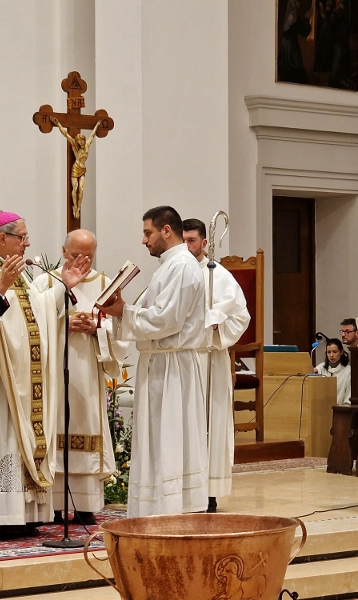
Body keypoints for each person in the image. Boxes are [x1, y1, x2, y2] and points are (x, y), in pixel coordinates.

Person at [0, 211, 90, 538]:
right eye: (22, 237)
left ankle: (23, 514)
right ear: (3, 238)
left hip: (26, 381)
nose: (27, 243)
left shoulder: (18, 271)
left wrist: (63, 288)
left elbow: (38, 309)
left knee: (21, 441)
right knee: (1, 440)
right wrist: (0, 287)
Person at [102, 206, 208, 517]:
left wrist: (123, 311)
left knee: (169, 438)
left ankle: (172, 510)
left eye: (148, 233)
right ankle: (154, 510)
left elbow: (166, 319)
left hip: (173, 367)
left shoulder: (183, 267)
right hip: (160, 363)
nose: (144, 240)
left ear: (166, 230)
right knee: (156, 440)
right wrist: (121, 311)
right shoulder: (168, 266)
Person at [32, 229, 122, 525]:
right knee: (55, 426)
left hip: (86, 372)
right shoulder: (45, 282)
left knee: (86, 425)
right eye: (75, 255)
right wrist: (61, 323)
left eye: (88, 256)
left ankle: (85, 504)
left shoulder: (104, 284)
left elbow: (119, 327)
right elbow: (31, 324)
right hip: (54, 371)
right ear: (62, 251)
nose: (81, 261)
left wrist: (97, 329)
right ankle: (55, 505)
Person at [183, 218, 250, 513]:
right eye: (183, 241)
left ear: (205, 243)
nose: (187, 246)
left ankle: (209, 492)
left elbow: (241, 316)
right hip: (181, 358)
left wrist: (215, 324)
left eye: (192, 241)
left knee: (209, 422)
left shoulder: (218, 275)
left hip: (209, 357)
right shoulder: (175, 272)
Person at [52, 117, 102, 219]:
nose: (80, 142)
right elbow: (66, 134)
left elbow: (92, 135)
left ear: (83, 139)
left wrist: (97, 125)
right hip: (75, 168)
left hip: (83, 170)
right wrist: (58, 124)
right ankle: (74, 206)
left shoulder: (87, 145)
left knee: (81, 189)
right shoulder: (75, 146)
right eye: (78, 140)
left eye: (81, 140)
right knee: (75, 188)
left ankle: (78, 207)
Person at [314, 337, 351, 405]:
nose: (331, 355)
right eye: (329, 352)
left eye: (334, 352)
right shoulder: (321, 367)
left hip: (340, 409)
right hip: (322, 408)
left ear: (341, 352)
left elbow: (349, 397)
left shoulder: (348, 370)